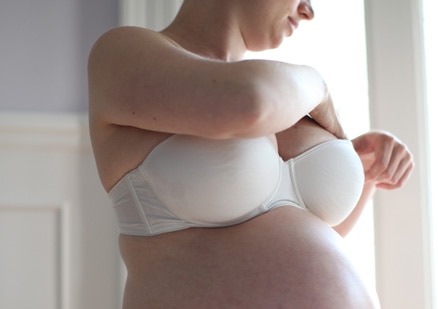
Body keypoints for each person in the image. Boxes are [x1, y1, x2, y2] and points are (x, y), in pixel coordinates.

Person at [88, 0, 414, 308]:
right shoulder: (120, 52)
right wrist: (319, 85)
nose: (308, 10)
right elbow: (250, 103)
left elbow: (289, 233)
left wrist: (366, 174)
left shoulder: (288, 94)